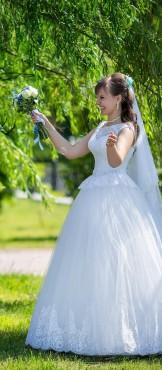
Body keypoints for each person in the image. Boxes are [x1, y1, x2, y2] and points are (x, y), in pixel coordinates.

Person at [26, 73, 162, 355]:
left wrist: (112, 147)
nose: (98, 102)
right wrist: (44, 122)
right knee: (88, 261)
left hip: (116, 199)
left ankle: (118, 332)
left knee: (115, 262)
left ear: (119, 98)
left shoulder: (128, 128)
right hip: (92, 197)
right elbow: (70, 149)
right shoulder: (101, 126)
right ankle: (88, 327)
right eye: (97, 97)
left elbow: (116, 162)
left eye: (102, 97)